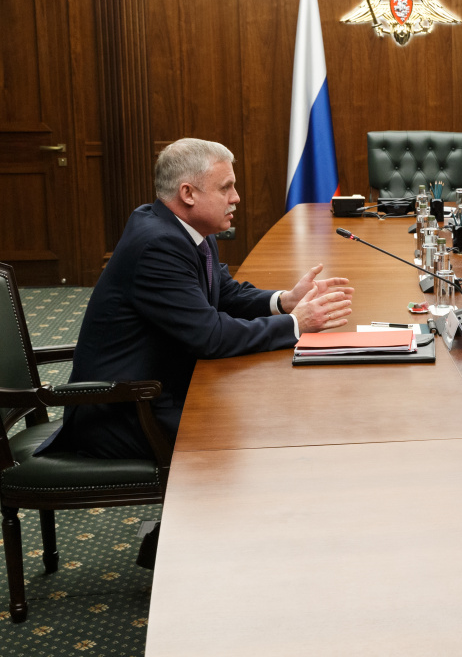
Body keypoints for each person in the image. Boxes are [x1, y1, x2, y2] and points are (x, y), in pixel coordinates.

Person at [40, 138, 354, 461]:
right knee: (256, 436)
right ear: (188, 193)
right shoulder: (157, 246)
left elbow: (223, 292)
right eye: (225, 188)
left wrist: (284, 301)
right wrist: (294, 324)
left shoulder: (186, 230)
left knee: (263, 418)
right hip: (123, 410)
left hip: (160, 388)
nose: (236, 198)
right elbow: (210, 336)